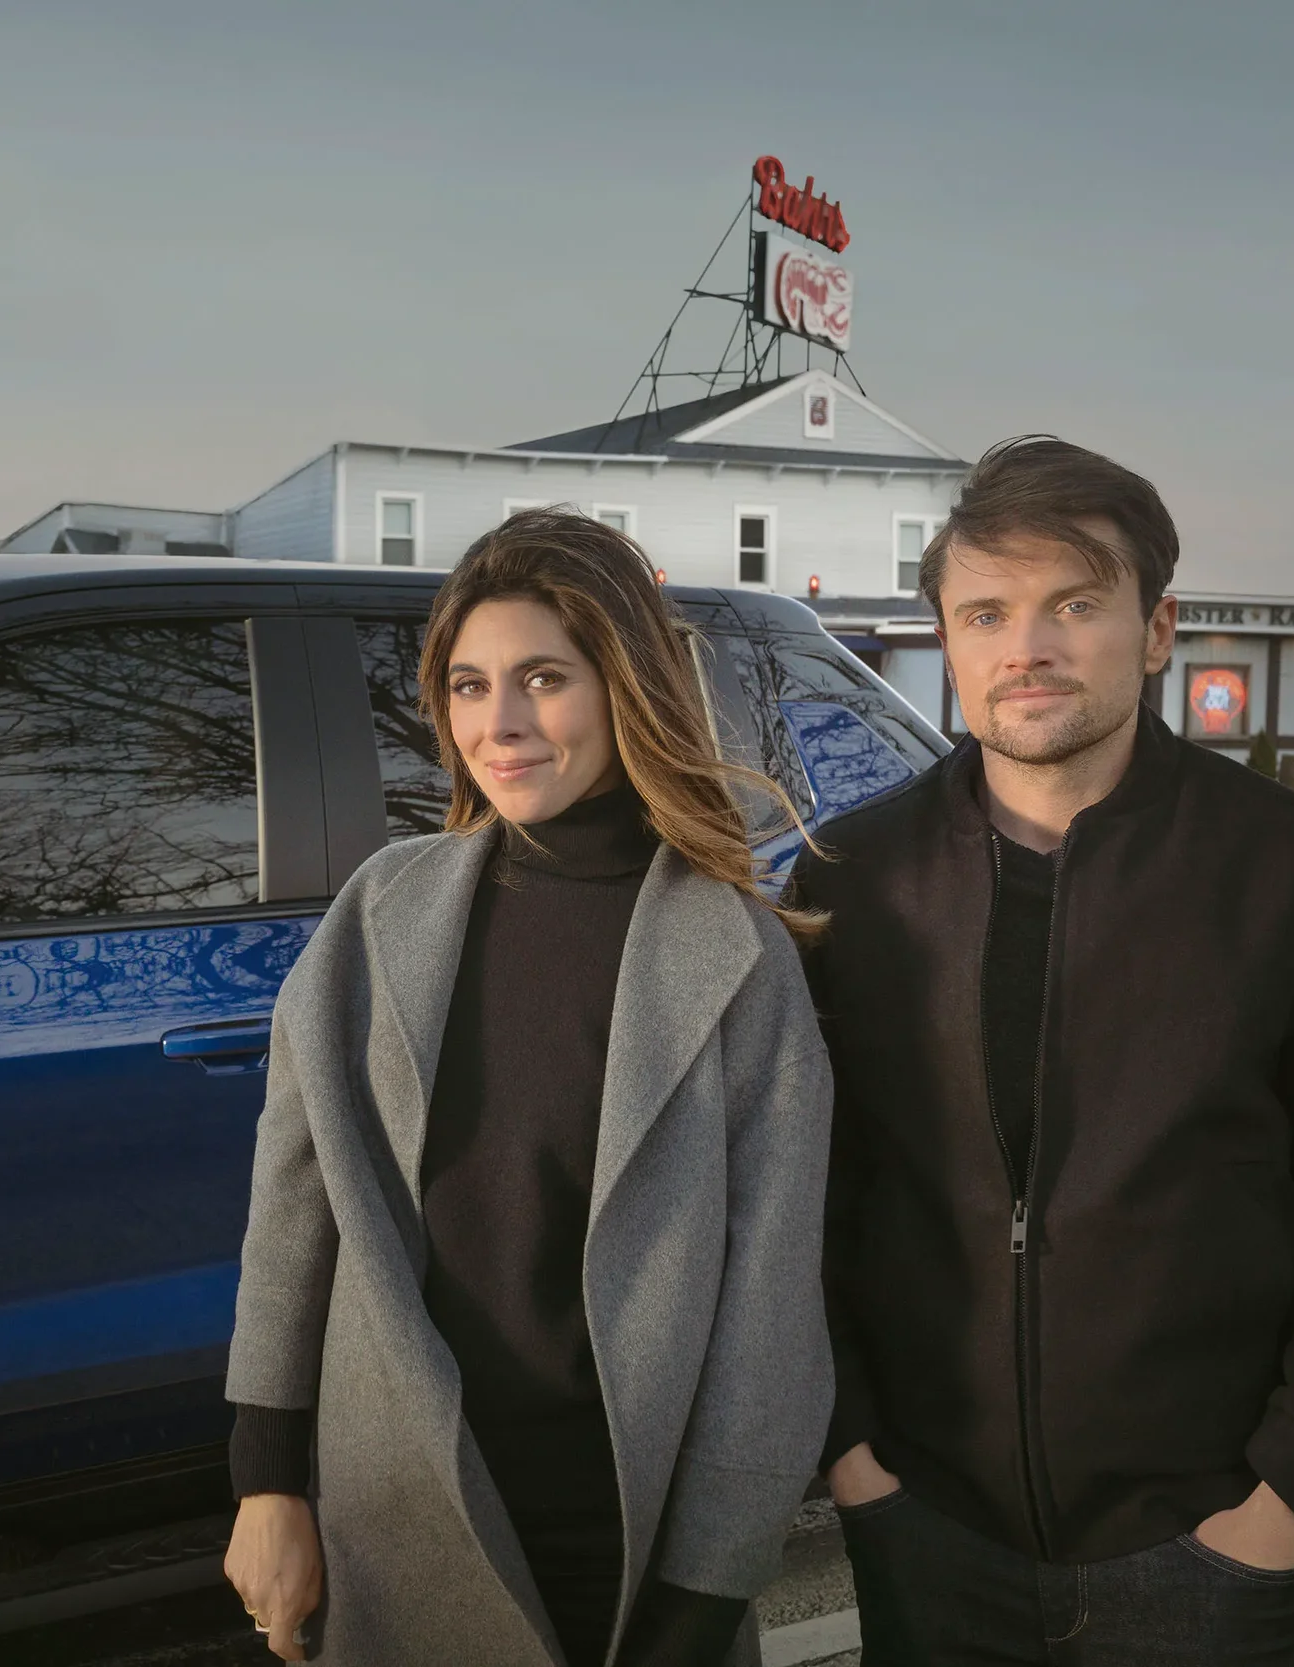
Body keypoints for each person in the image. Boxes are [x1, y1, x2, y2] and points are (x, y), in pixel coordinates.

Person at [793, 437, 1294, 1665]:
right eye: (986, 612)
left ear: (1157, 629)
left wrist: (1283, 1505)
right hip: (928, 1540)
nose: (1027, 648)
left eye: (1074, 604)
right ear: (945, 638)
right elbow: (806, 1198)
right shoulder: (856, 874)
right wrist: (853, 1458)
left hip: (1215, 1551)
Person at [221, 509, 834, 1666]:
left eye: (541, 679)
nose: (497, 724)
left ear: (624, 686)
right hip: (398, 1513)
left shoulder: (736, 958)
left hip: (631, 1545)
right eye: (467, 684)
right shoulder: (379, 913)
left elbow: (770, 1317)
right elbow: (292, 1209)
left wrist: (704, 1597)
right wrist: (266, 1481)